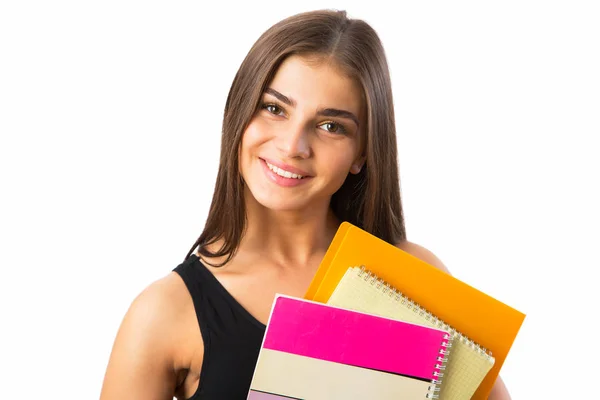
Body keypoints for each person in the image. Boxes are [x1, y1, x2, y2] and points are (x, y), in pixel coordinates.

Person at [100, 9, 512, 400]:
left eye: (331, 126)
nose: (292, 145)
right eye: (274, 108)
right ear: (238, 113)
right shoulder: (163, 312)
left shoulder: (414, 279)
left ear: (362, 153)